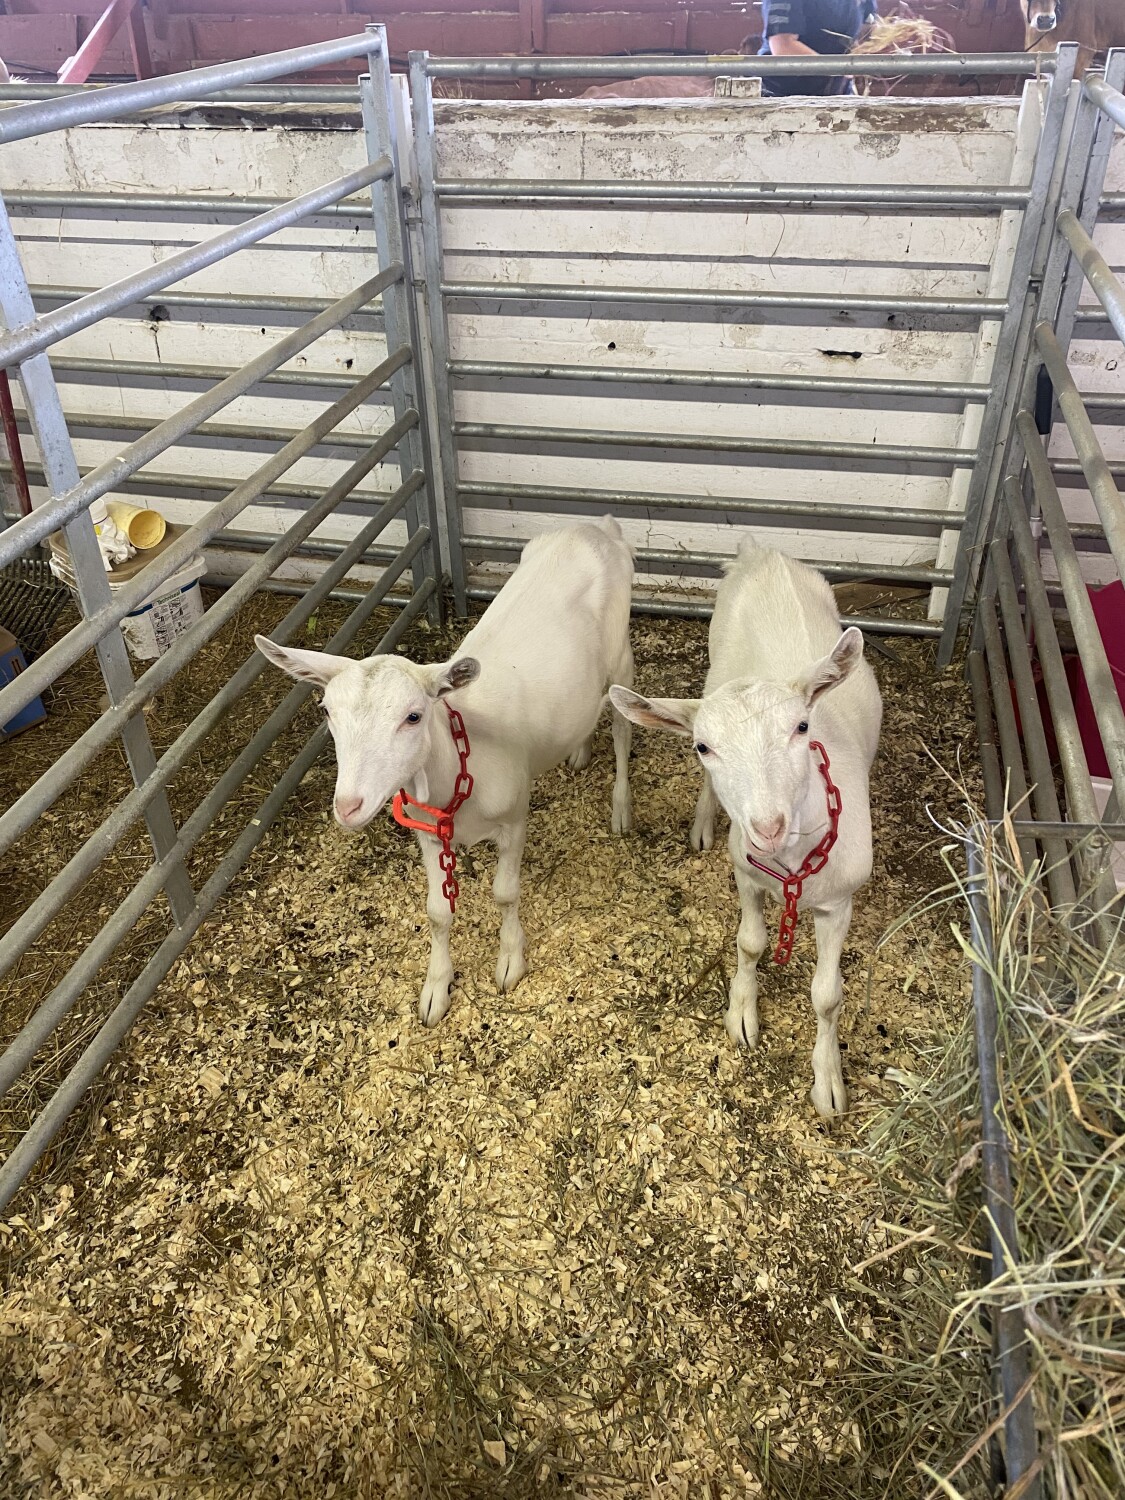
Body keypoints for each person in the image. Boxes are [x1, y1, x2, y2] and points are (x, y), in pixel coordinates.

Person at [755, 0, 878, 97]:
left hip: (837, 94)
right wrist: (841, 68)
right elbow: (783, 45)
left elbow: (865, 32)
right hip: (784, 96)